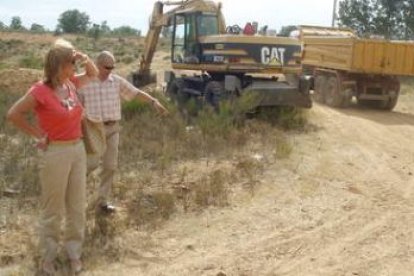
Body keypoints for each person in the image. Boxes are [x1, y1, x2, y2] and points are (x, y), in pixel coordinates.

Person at [7, 38, 98, 275]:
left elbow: (94, 73)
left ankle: (73, 254)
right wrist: (38, 134)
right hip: (55, 152)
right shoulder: (40, 90)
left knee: (77, 205)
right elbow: (14, 113)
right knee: (53, 208)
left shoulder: (70, 84)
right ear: (59, 65)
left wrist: (83, 57)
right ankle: (48, 257)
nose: (75, 66)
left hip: (77, 149)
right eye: (71, 62)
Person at [79, 50, 168, 214]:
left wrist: (153, 101)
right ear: (97, 65)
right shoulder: (84, 82)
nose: (110, 71)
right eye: (107, 67)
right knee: (89, 165)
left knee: (110, 166)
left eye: (112, 67)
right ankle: (73, 198)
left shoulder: (116, 81)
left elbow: (135, 93)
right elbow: (75, 106)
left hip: (113, 128)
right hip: (92, 129)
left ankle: (102, 203)